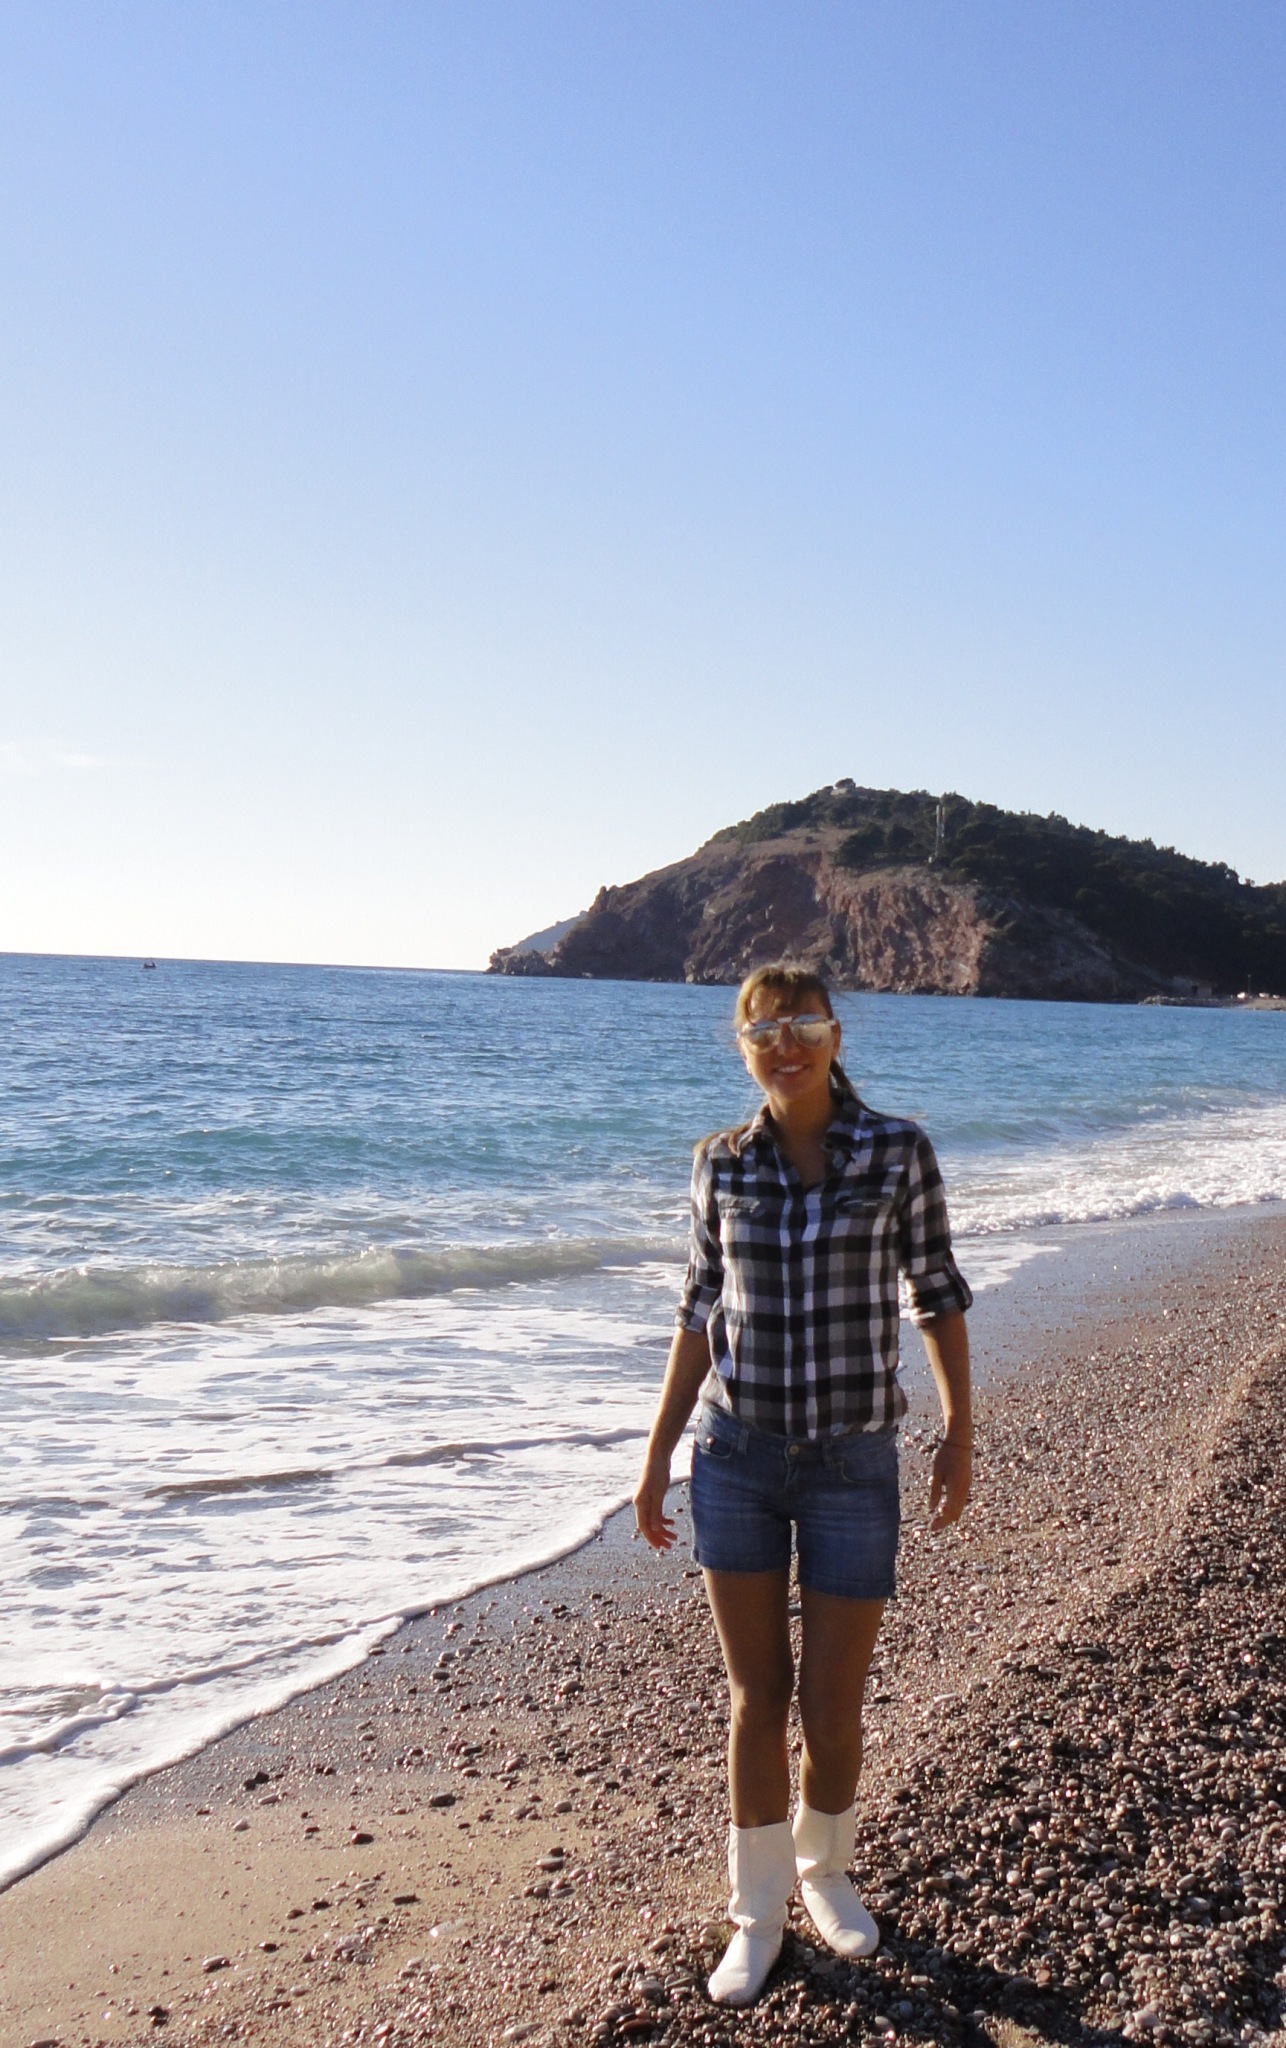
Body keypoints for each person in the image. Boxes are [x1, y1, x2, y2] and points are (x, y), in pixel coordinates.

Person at [633, 963, 973, 2008]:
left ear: (834, 1034)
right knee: (755, 1697)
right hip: (734, 1457)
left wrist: (958, 1429)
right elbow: (698, 1311)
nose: (785, 1045)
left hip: (851, 1465)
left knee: (831, 1702)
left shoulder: (897, 1150)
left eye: (804, 1024)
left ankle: (825, 1873)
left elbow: (935, 1291)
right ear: (741, 1046)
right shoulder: (719, 1163)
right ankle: (757, 1910)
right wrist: (655, 1456)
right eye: (763, 1029)